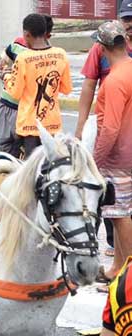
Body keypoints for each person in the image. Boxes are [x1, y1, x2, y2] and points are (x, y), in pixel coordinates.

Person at [92, 21, 132, 283]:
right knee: (119, 214)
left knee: (120, 216)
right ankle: (118, 267)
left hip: (119, 158)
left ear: (103, 47)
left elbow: (110, 128)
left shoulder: (115, 79)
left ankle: (127, 276)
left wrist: (94, 161)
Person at [1, 13, 71, 158]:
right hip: (52, 126)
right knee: (50, 166)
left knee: (31, 169)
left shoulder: (23, 58)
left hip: (29, 127)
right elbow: (66, 88)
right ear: (46, 32)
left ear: (26, 35)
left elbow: (15, 92)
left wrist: (6, 76)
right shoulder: (61, 54)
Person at [74, 4, 132, 140]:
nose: (130, 24)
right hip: (107, 121)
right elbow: (89, 85)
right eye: (127, 19)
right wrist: (81, 125)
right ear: (119, 20)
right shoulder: (101, 47)